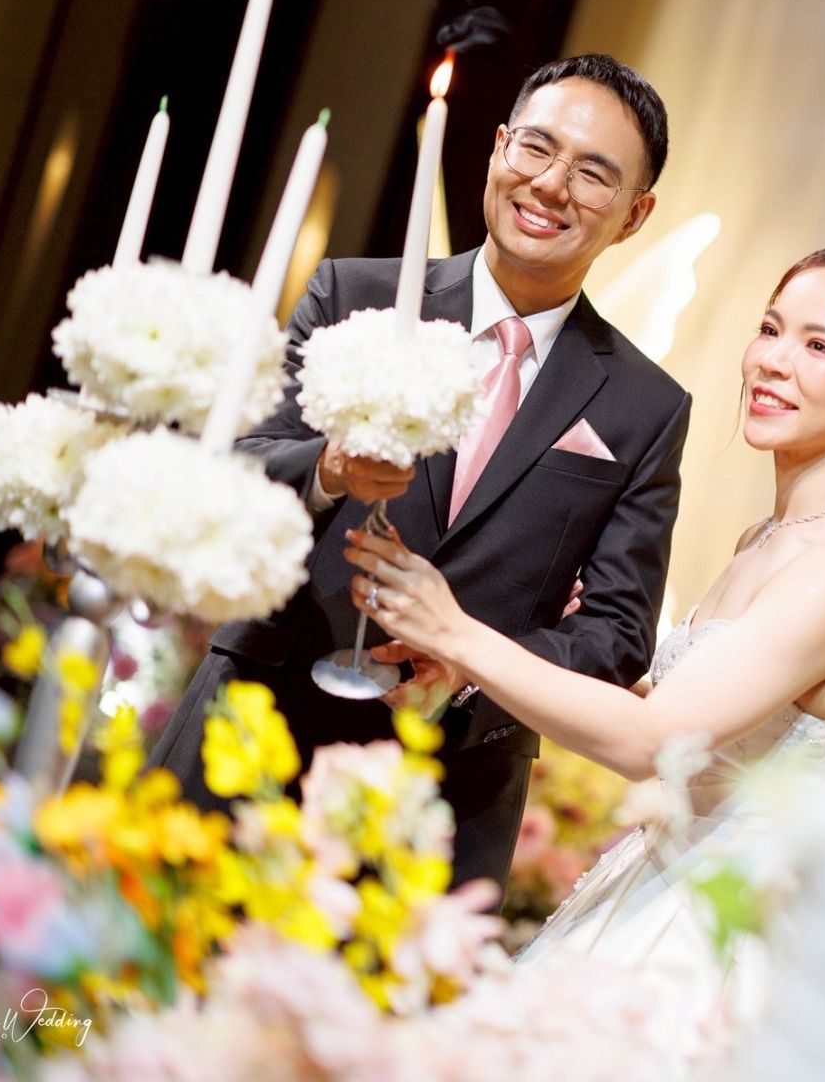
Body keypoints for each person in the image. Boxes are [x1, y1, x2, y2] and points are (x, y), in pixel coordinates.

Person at [343, 236, 825, 1020]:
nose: (772, 361)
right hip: (653, 881)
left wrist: (460, 634)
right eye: (770, 329)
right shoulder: (768, 540)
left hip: (702, 936)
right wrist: (473, 671)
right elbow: (697, 705)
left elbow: (654, 742)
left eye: (819, 346)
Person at [147, 54, 692, 891]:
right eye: (535, 149)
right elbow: (236, 469)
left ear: (633, 215)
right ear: (497, 149)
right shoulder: (351, 295)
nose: (549, 185)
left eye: (592, 174)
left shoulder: (644, 407)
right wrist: (328, 469)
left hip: (443, 797)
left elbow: (618, 636)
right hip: (256, 721)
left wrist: (469, 663)